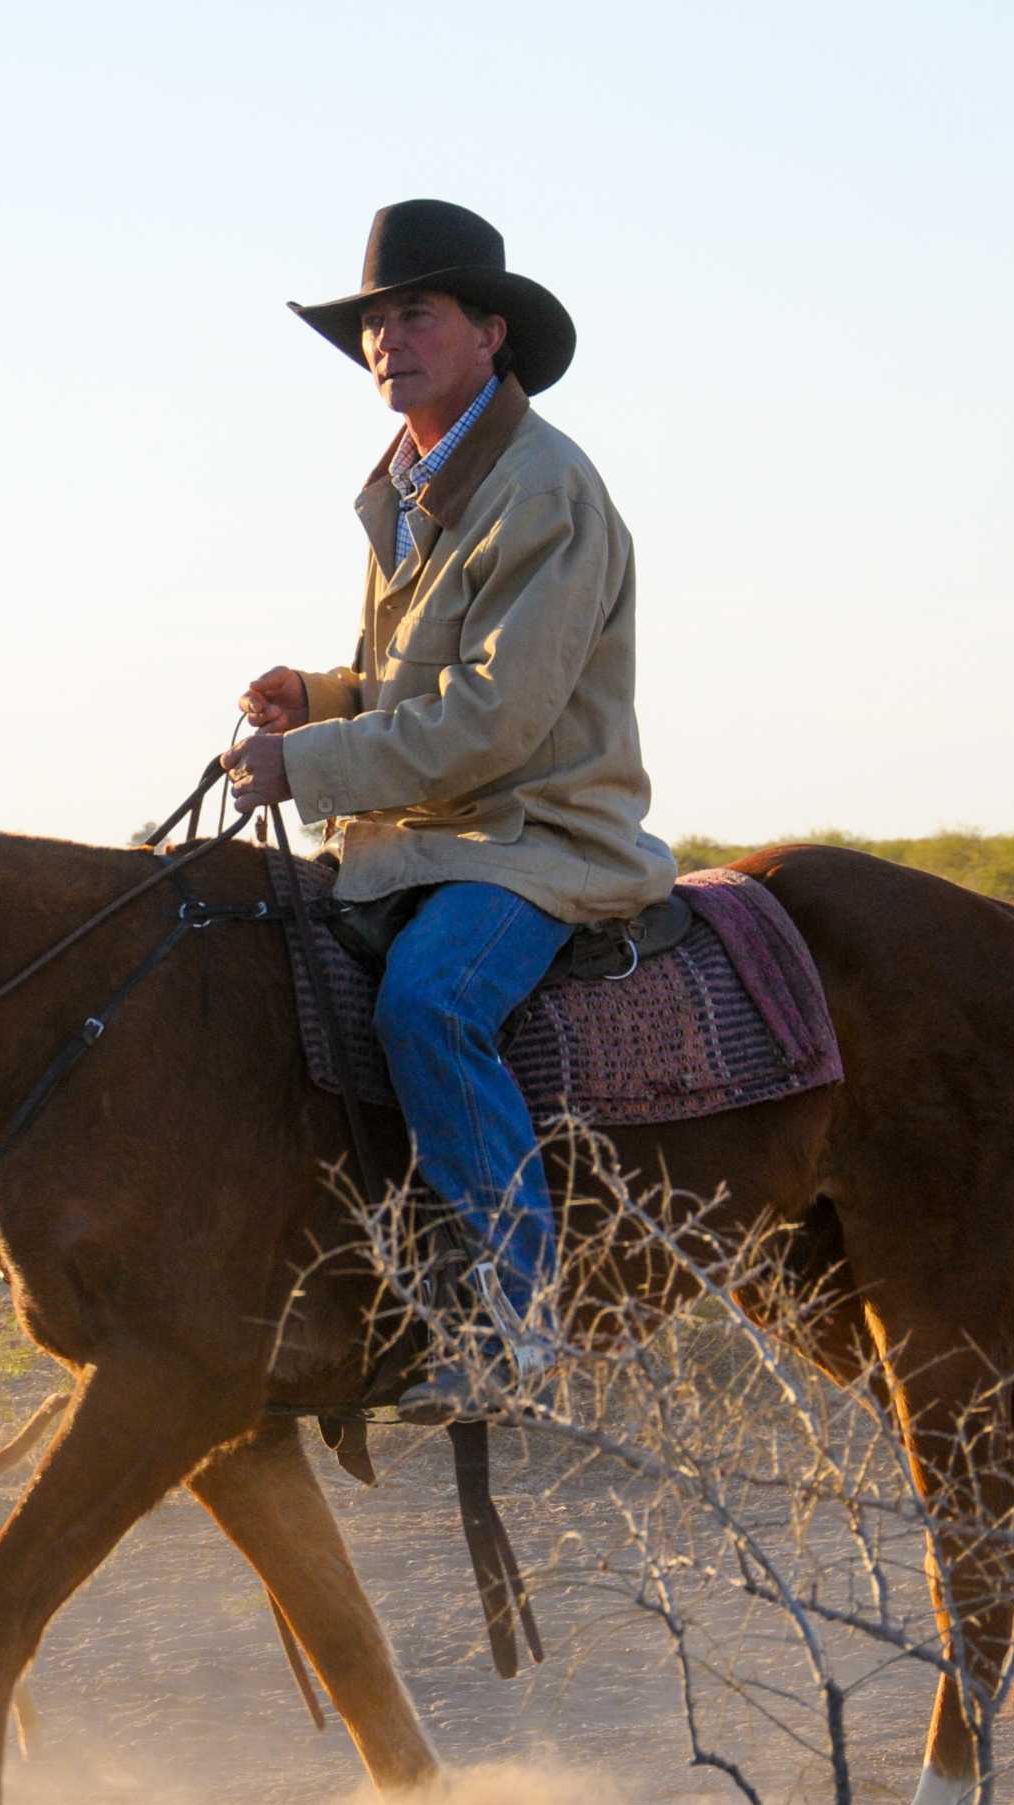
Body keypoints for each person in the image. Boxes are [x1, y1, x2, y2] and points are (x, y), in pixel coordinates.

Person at [222, 198, 674, 1422]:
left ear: (490, 332)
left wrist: (308, 762)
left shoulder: (547, 488)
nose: (385, 339)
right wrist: (317, 694)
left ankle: (519, 1325)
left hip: (534, 839)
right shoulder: (413, 486)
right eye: (372, 321)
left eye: (413, 311)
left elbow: (497, 720)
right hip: (421, 833)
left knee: (430, 1003)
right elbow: (418, 681)